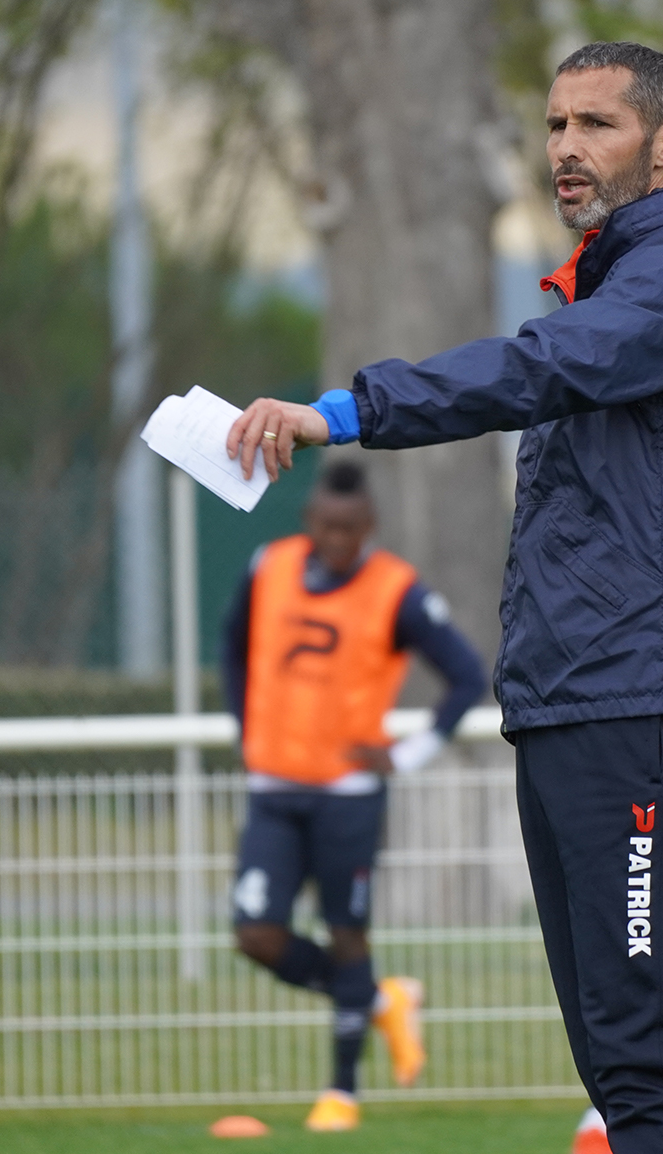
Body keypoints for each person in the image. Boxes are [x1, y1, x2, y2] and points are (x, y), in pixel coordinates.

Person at [226, 41, 663, 1154]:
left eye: (598, 124)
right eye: (556, 124)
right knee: (617, 1066)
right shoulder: (608, 288)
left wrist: (344, 411)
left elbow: (532, 369)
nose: (566, 146)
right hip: (572, 708)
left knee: (643, 1062)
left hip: (641, 712)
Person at [223, 460, 487, 1133]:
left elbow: (466, 677)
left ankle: (341, 1092)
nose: (337, 539)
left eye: (350, 528)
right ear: (309, 520)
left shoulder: (396, 591)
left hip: (348, 793)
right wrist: (246, 728)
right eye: (327, 526)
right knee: (255, 933)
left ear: (368, 525)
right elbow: (232, 645)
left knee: (346, 933)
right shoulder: (269, 567)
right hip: (274, 787)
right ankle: (379, 1002)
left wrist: (407, 755)